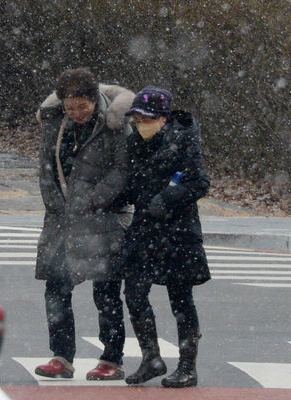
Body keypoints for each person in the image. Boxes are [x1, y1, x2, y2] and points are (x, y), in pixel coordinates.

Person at [33, 68, 135, 380]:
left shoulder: (116, 125)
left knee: (106, 292)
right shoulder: (55, 123)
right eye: (69, 106)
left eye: (82, 106)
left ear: (95, 100)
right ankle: (61, 356)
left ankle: (112, 358)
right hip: (62, 220)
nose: (76, 113)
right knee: (56, 288)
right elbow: (47, 168)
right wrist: (55, 203)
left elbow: (122, 172)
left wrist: (91, 201)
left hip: (105, 220)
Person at [119, 86, 211, 387]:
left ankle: (187, 366)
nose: (141, 124)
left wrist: (168, 198)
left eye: (146, 118)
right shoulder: (134, 144)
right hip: (144, 229)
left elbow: (198, 183)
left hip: (177, 232)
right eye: (137, 119)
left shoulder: (183, 141)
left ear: (162, 118)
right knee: (133, 292)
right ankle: (151, 357)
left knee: (181, 299)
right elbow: (132, 183)